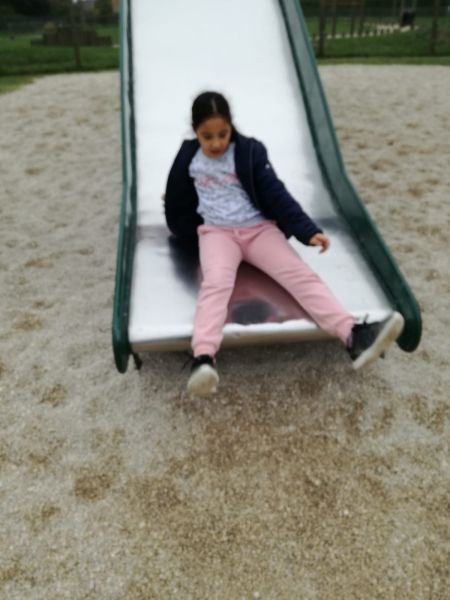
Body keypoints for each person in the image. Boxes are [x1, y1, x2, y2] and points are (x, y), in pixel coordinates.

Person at [164, 91, 404, 396]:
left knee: (298, 274)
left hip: (258, 231)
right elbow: (176, 197)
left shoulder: (248, 151)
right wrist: (184, 230)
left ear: (231, 127)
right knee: (216, 284)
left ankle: (353, 336)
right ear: (195, 131)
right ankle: (203, 358)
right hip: (218, 234)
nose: (216, 143)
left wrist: (306, 229)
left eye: (222, 134)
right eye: (207, 136)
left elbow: (275, 192)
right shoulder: (189, 157)